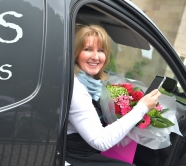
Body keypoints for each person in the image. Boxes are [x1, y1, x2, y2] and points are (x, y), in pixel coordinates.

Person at [65, 25, 161, 166]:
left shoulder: (93, 83)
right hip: (71, 156)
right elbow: (101, 141)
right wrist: (141, 108)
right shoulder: (75, 87)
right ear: (75, 52)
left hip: (84, 151)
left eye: (101, 50)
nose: (96, 57)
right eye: (88, 49)